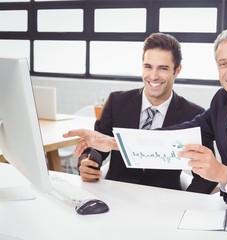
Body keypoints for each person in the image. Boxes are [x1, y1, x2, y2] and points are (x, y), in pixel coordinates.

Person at [64, 28, 227, 208]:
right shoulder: (223, 101)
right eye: (223, 64)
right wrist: (112, 143)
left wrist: (221, 173)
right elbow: (176, 135)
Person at [68, 32, 217, 194]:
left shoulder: (194, 114)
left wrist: (187, 201)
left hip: (163, 200)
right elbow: (96, 146)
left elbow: (206, 173)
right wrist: (86, 163)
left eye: (163, 68)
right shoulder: (117, 102)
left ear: (177, 70)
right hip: (115, 195)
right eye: (148, 67)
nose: (153, 76)